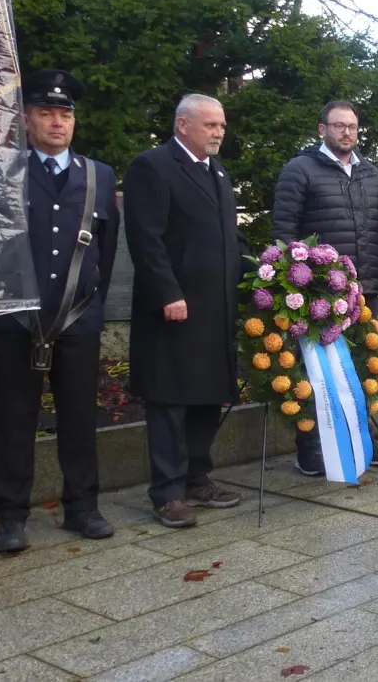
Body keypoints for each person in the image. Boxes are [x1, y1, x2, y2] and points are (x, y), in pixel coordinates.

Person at [0, 71, 120, 553]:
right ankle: (10, 516)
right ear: (27, 121)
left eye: (65, 114)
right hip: (13, 318)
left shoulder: (98, 175)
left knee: (81, 417)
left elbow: (105, 247)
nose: (57, 122)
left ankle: (82, 508)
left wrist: (91, 309)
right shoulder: (1, 172)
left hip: (76, 319)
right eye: (46, 113)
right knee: (14, 418)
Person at [123, 94, 244, 528]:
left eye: (222, 126)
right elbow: (146, 239)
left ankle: (197, 477)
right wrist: (168, 293)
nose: (218, 133)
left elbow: (228, 238)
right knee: (171, 400)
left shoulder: (218, 173)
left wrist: (263, 273)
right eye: (210, 125)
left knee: (208, 396)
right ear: (182, 125)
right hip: (175, 309)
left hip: (216, 309)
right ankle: (167, 492)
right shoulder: (153, 167)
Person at [271, 100, 378, 475]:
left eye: (352, 126)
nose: (347, 133)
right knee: (314, 376)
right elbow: (284, 232)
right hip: (319, 296)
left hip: (364, 290)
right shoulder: (299, 170)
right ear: (322, 129)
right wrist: (296, 282)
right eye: (339, 126)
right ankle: (311, 450)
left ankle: (362, 443)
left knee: (362, 367)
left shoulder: (371, 173)